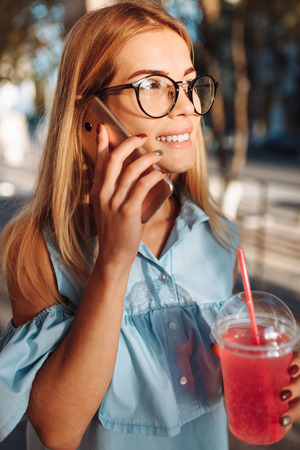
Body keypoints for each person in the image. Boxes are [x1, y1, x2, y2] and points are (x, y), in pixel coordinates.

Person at [0, 2, 299, 449]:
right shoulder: (39, 247)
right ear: (89, 113)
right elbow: (56, 430)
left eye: (187, 83)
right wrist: (115, 261)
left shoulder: (219, 236)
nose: (187, 108)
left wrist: (271, 382)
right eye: (154, 85)